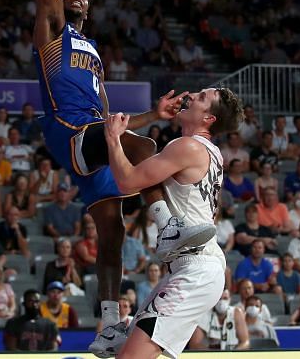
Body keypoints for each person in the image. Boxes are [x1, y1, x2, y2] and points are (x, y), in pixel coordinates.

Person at [33, 0, 214, 354]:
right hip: (70, 133)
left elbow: (111, 120)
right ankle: (166, 224)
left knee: (110, 235)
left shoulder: (93, 50)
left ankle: (108, 327)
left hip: (94, 134)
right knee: (148, 150)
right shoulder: (51, 30)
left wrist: (152, 113)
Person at [103, 87, 243, 359]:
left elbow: (128, 181)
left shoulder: (187, 147)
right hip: (194, 266)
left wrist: (112, 139)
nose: (191, 96)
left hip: (196, 269)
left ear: (208, 119)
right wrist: (154, 115)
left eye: (202, 97)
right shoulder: (212, 153)